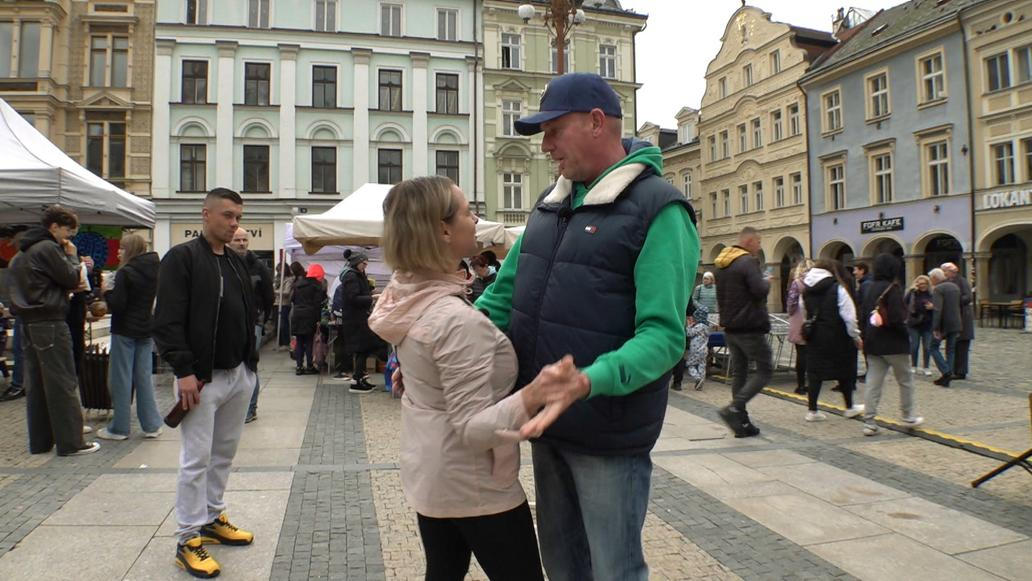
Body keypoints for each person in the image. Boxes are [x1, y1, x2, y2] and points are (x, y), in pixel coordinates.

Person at [475, 72, 699, 580]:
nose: (546, 147)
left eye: (554, 131)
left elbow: (664, 337)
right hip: (547, 425)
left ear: (597, 122)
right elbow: (499, 300)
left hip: (608, 434)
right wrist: (436, 346)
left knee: (613, 570)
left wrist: (586, 382)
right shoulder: (549, 206)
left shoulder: (660, 209)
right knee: (561, 565)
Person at [369, 176, 588, 581]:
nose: (474, 219)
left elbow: (427, 357)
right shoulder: (453, 320)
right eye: (467, 211)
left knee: (444, 572)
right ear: (443, 230)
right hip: (474, 484)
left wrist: (421, 375)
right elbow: (473, 429)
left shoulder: (404, 292)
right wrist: (535, 392)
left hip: (432, 471)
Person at [152, 188, 258, 578]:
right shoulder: (182, 258)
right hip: (201, 377)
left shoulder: (234, 261)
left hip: (238, 373)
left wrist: (250, 367)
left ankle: (212, 517)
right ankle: (187, 538)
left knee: (223, 453)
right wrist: (183, 370)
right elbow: (166, 319)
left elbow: (247, 312)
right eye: (227, 215)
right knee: (196, 459)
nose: (234, 223)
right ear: (206, 214)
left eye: (238, 217)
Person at [8, 206, 100, 456]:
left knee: (36, 385)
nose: (69, 238)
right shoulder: (48, 248)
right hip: (50, 321)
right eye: (68, 231)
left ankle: (40, 442)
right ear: (54, 226)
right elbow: (72, 278)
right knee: (62, 381)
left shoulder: (21, 253)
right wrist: (72, 257)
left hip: (28, 323)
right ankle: (71, 443)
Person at [96, 234, 163, 441]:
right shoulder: (154, 269)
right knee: (143, 378)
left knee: (121, 379)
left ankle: (119, 428)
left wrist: (106, 292)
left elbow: (118, 304)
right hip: (145, 328)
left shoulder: (126, 272)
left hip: (124, 329)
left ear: (130, 250)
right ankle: (151, 425)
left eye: (122, 248)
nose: (118, 252)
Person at [715, 227, 771, 438]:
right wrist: (767, 282)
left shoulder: (723, 264)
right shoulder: (747, 262)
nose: (759, 246)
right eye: (758, 242)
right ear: (748, 241)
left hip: (731, 328)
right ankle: (735, 407)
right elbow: (759, 290)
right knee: (765, 370)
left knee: (740, 372)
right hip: (750, 326)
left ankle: (742, 424)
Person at [859, 254, 923, 436]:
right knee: (905, 380)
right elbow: (897, 318)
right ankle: (908, 416)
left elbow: (862, 314)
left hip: (873, 342)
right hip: (894, 343)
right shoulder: (893, 289)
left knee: (873, 382)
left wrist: (864, 337)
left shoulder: (868, 287)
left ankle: (869, 422)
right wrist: (906, 335)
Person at [801, 259, 865, 421]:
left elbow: (803, 311)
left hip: (815, 335)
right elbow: (849, 316)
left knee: (815, 372)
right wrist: (855, 335)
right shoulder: (838, 288)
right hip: (838, 335)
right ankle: (849, 407)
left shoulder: (806, 290)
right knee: (845, 370)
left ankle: (812, 411)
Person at [229, 228, 274, 424]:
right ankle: (235, 407)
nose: (241, 243)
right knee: (232, 365)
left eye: (244, 240)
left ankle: (250, 408)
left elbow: (269, 296)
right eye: (237, 240)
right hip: (230, 324)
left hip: (253, 322)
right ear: (229, 241)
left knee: (249, 366)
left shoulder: (258, 266)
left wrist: (262, 319)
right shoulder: (224, 262)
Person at [332, 249, 379, 392]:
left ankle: (361, 378)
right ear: (357, 262)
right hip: (355, 319)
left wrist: (370, 292)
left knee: (363, 348)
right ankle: (357, 381)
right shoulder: (351, 276)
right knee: (361, 349)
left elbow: (358, 293)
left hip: (358, 317)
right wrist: (372, 298)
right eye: (364, 264)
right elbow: (353, 298)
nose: (365, 266)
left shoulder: (357, 274)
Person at [928, 268, 961, 387]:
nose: (930, 281)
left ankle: (946, 372)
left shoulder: (938, 289)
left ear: (935, 278)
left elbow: (938, 309)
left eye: (931, 278)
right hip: (956, 321)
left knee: (933, 347)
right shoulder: (954, 286)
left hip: (944, 323)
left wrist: (935, 327)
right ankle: (947, 376)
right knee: (950, 350)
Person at [941, 262, 974, 380]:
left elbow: (968, 297)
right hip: (952, 318)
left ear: (951, 271)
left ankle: (961, 371)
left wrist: (953, 300)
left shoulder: (961, 281)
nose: (944, 273)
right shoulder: (945, 282)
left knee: (962, 345)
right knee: (952, 345)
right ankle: (952, 369)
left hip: (963, 318)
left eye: (945, 271)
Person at [291, 264, 325, 376]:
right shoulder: (316, 286)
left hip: (297, 314)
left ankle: (299, 366)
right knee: (309, 341)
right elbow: (317, 304)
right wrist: (318, 319)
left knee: (299, 341)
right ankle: (310, 366)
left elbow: (293, 299)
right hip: (310, 315)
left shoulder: (297, 284)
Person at [786, 259, 813, 395]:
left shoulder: (797, 283)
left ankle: (801, 385)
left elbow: (791, 303)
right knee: (811, 353)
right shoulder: (816, 282)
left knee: (801, 353)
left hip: (799, 319)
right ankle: (812, 383)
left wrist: (790, 313)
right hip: (813, 320)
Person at [904, 275, 934, 376]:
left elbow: (938, 306)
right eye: (920, 284)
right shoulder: (912, 293)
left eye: (924, 284)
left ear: (928, 284)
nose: (922, 286)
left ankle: (926, 367)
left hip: (927, 323)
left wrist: (932, 307)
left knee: (927, 347)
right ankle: (914, 365)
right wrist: (911, 290)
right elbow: (904, 302)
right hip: (914, 323)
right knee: (914, 346)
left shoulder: (932, 294)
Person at [684, 304, 710, 391]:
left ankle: (697, 378)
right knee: (702, 365)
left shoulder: (699, 326)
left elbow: (689, 333)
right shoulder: (707, 326)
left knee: (690, 365)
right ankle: (700, 384)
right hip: (704, 350)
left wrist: (689, 326)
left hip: (696, 350)